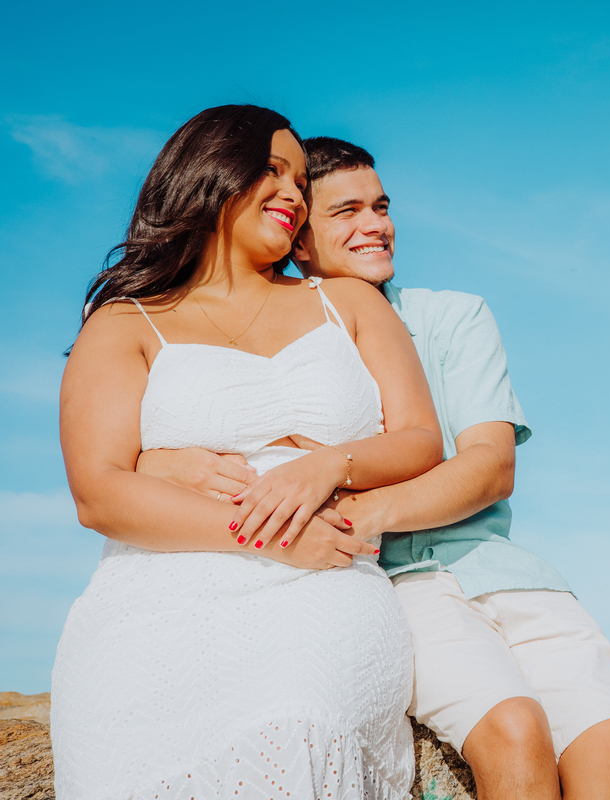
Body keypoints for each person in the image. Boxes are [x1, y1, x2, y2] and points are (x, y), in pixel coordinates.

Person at [138, 137, 610, 799]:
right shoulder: (269, 337)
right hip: (394, 584)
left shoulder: (450, 316)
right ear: (297, 236)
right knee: (514, 727)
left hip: (497, 568)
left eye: (380, 206)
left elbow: (490, 468)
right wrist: (158, 458)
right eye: (347, 211)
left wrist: (349, 506)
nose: (376, 224)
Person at [52, 106, 443, 799]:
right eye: (273, 170)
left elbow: (419, 440)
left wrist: (332, 464)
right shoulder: (124, 321)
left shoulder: (346, 302)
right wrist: (267, 538)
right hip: (156, 599)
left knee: (300, 716)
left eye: (299, 180)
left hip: (323, 581)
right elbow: (98, 492)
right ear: (209, 173)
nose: (294, 194)